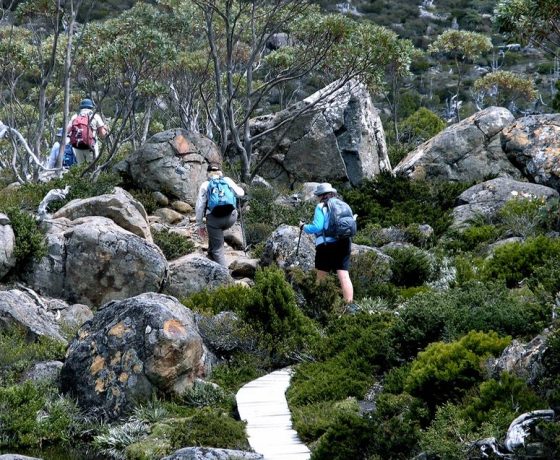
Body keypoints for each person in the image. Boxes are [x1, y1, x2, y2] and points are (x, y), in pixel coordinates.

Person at [300, 182, 354, 304]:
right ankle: (348, 306)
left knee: (321, 276)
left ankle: (319, 305)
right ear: (332, 194)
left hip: (326, 246)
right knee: (344, 275)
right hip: (344, 242)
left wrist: (304, 227)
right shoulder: (344, 205)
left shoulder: (321, 207)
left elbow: (317, 227)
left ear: (321, 196)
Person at [195, 163, 245, 267]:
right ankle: (210, 254)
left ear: (208, 173)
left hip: (215, 220)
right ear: (219, 172)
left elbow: (200, 207)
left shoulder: (205, 185)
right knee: (214, 235)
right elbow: (241, 193)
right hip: (231, 217)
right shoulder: (227, 180)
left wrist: (200, 225)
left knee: (218, 249)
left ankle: (225, 275)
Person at [66, 98, 108, 165]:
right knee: (93, 167)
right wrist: (106, 129)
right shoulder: (95, 116)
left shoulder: (75, 116)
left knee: (81, 168)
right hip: (91, 147)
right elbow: (102, 134)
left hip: (77, 146)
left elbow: (67, 131)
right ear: (91, 107)